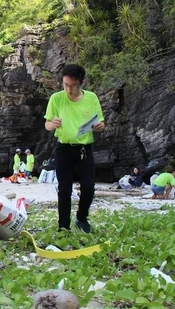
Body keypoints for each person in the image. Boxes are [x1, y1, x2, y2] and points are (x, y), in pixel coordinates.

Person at [44, 64, 105, 233]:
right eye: (65, 85)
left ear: (82, 83)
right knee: (64, 188)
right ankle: (63, 226)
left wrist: (100, 126)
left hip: (85, 149)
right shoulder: (56, 98)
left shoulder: (91, 98)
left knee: (88, 187)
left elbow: (100, 122)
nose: (69, 90)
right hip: (64, 149)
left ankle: (81, 218)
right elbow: (47, 125)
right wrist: (52, 124)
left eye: (73, 86)